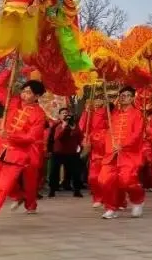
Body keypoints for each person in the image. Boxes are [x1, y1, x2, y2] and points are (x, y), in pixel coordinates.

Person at [0, 78, 47, 235]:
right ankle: (18, 195)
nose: (24, 94)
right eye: (23, 91)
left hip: (17, 155)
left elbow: (32, 137)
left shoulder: (39, 114)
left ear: (37, 96)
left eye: (28, 92)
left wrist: (11, 136)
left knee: (1, 187)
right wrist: (10, 67)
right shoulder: (12, 102)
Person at [96, 86, 146, 220]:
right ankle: (111, 208)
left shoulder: (137, 114)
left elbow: (137, 133)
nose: (124, 97)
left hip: (129, 154)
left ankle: (138, 200)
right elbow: (102, 127)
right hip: (111, 153)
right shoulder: (113, 113)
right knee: (104, 180)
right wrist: (103, 108)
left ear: (132, 98)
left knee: (127, 180)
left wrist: (123, 144)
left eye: (128, 95)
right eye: (122, 95)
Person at [80, 94, 112, 209]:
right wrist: (86, 112)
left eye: (100, 99)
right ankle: (98, 198)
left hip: (107, 147)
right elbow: (82, 127)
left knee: (107, 177)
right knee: (93, 177)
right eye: (96, 99)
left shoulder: (109, 111)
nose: (98, 101)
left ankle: (112, 199)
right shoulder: (90, 112)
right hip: (95, 149)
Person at [48, 110, 84, 197]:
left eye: (67, 113)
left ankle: (77, 190)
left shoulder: (74, 125)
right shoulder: (56, 125)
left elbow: (79, 136)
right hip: (58, 152)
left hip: (72, 152)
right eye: (63, 113)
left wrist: (80, 147)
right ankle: (52, 190)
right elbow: (56, 137)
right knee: (54, 172)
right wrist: (63, 126)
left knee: (76, 172)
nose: (65, 115)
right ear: (59, 115)